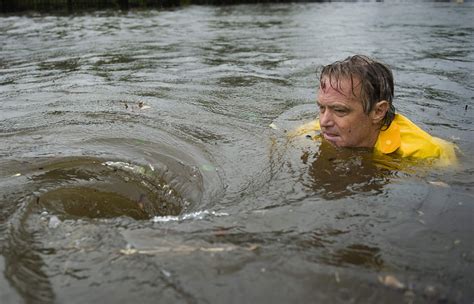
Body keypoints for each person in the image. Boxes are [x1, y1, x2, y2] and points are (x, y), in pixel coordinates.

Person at [293, 55, 457, 166]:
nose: (323, 122)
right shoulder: (308, 133)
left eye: (339, 111)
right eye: (322, 108)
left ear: (378, 112)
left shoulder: (428, 155)